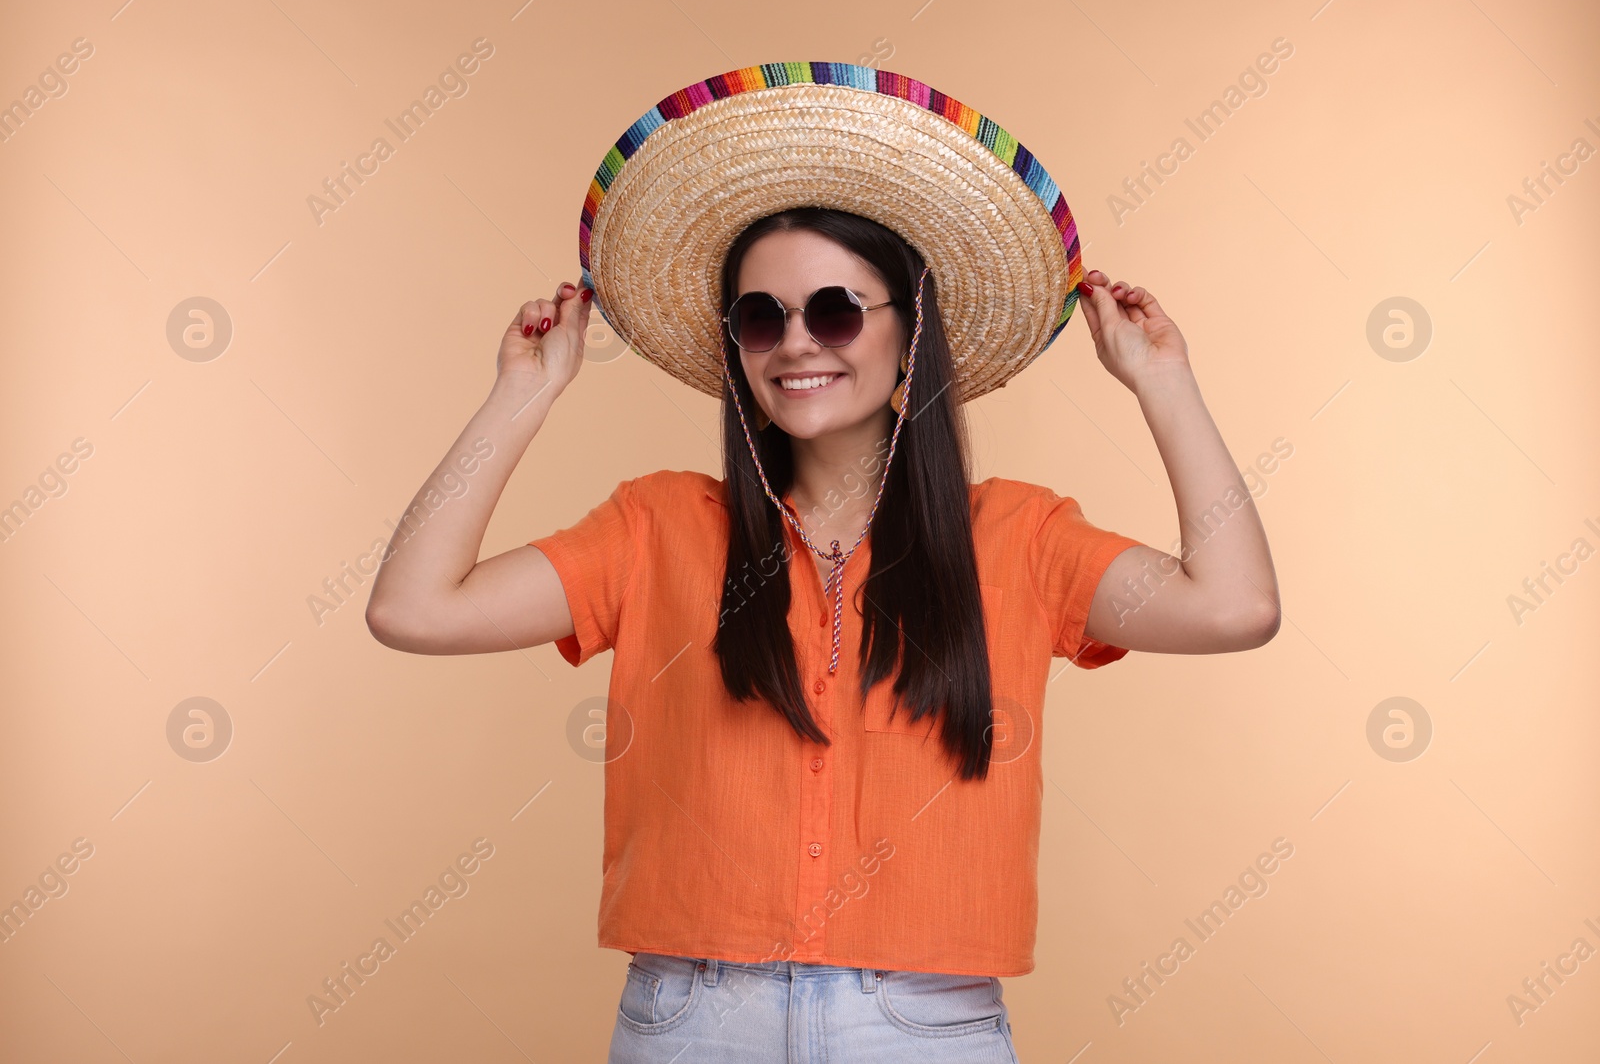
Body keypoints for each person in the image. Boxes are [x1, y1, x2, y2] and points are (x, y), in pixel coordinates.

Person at [365, 62, 1280, 1063]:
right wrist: (521, 397)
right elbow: (415, 607)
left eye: (835, 310)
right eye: (762, 316)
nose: (795, 343)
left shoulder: (1018, 536)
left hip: (926, 1026)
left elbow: (1233, 606)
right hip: (690, 1022)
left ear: (908, 330)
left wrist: (1162, 380)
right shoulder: (658, 524)